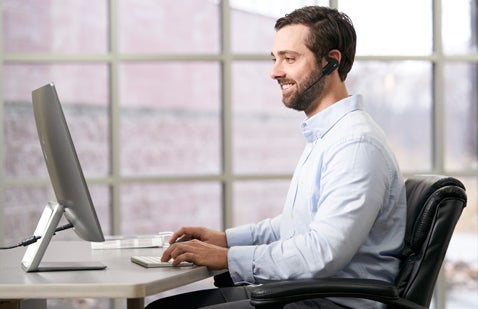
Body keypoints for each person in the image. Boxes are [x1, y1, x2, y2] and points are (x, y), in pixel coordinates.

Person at [146, 5, 406, 309]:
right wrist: (225, 239)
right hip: (303, 295)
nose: (275, 71)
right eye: (275, 59)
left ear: (330, 62)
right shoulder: (328, 136)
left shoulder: (355, 145)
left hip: (327, 304)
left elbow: (321, 252)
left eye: (289, 59)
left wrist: (228, 258)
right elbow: (293, 227)